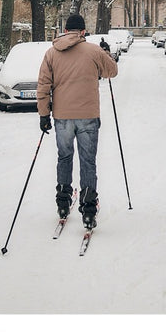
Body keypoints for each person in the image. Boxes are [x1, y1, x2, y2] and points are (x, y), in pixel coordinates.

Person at [37, 14, 118, 229]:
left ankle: (63, 203)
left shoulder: (51, 53)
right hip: (88, 116)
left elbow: (43, 85)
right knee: (87, 161)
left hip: (62, 116)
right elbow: (112, 71)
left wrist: (44, 114)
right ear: (82, 31)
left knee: (64, 157)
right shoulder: (93, 51)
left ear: (65, 30)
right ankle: (89, 209)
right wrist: (107, 52)